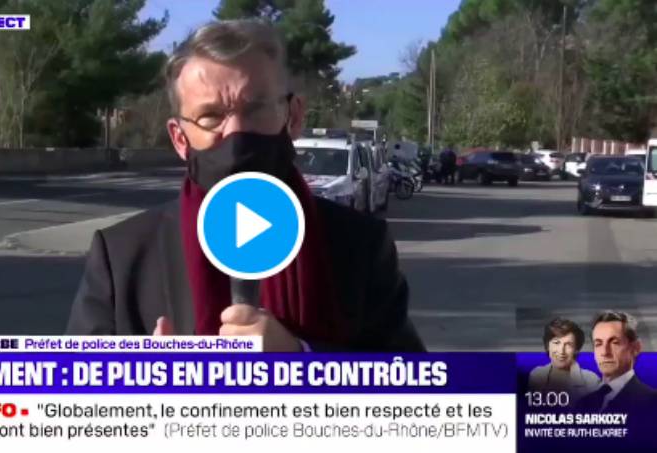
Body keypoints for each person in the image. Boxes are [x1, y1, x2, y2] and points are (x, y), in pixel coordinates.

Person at [65, 19, 424, 352]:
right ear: (179, 138)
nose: (236, 133)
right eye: (211, 116)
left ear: (293, 117)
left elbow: (413, 386)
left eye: (256, 109)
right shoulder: (122, 255)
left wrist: (301, 360)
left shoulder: (360, 245)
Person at [576, 311, 657, 413]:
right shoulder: (583, 404)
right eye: (598, 344)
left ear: (636, 348)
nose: (605, 352)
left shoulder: (653, 402)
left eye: (615, 343)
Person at [528, 318, 600, 401]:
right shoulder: (536, 375)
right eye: (556, 343)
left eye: (568, 344)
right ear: (548, 346)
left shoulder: (591, 381)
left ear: (576, 349)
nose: (561, 351)